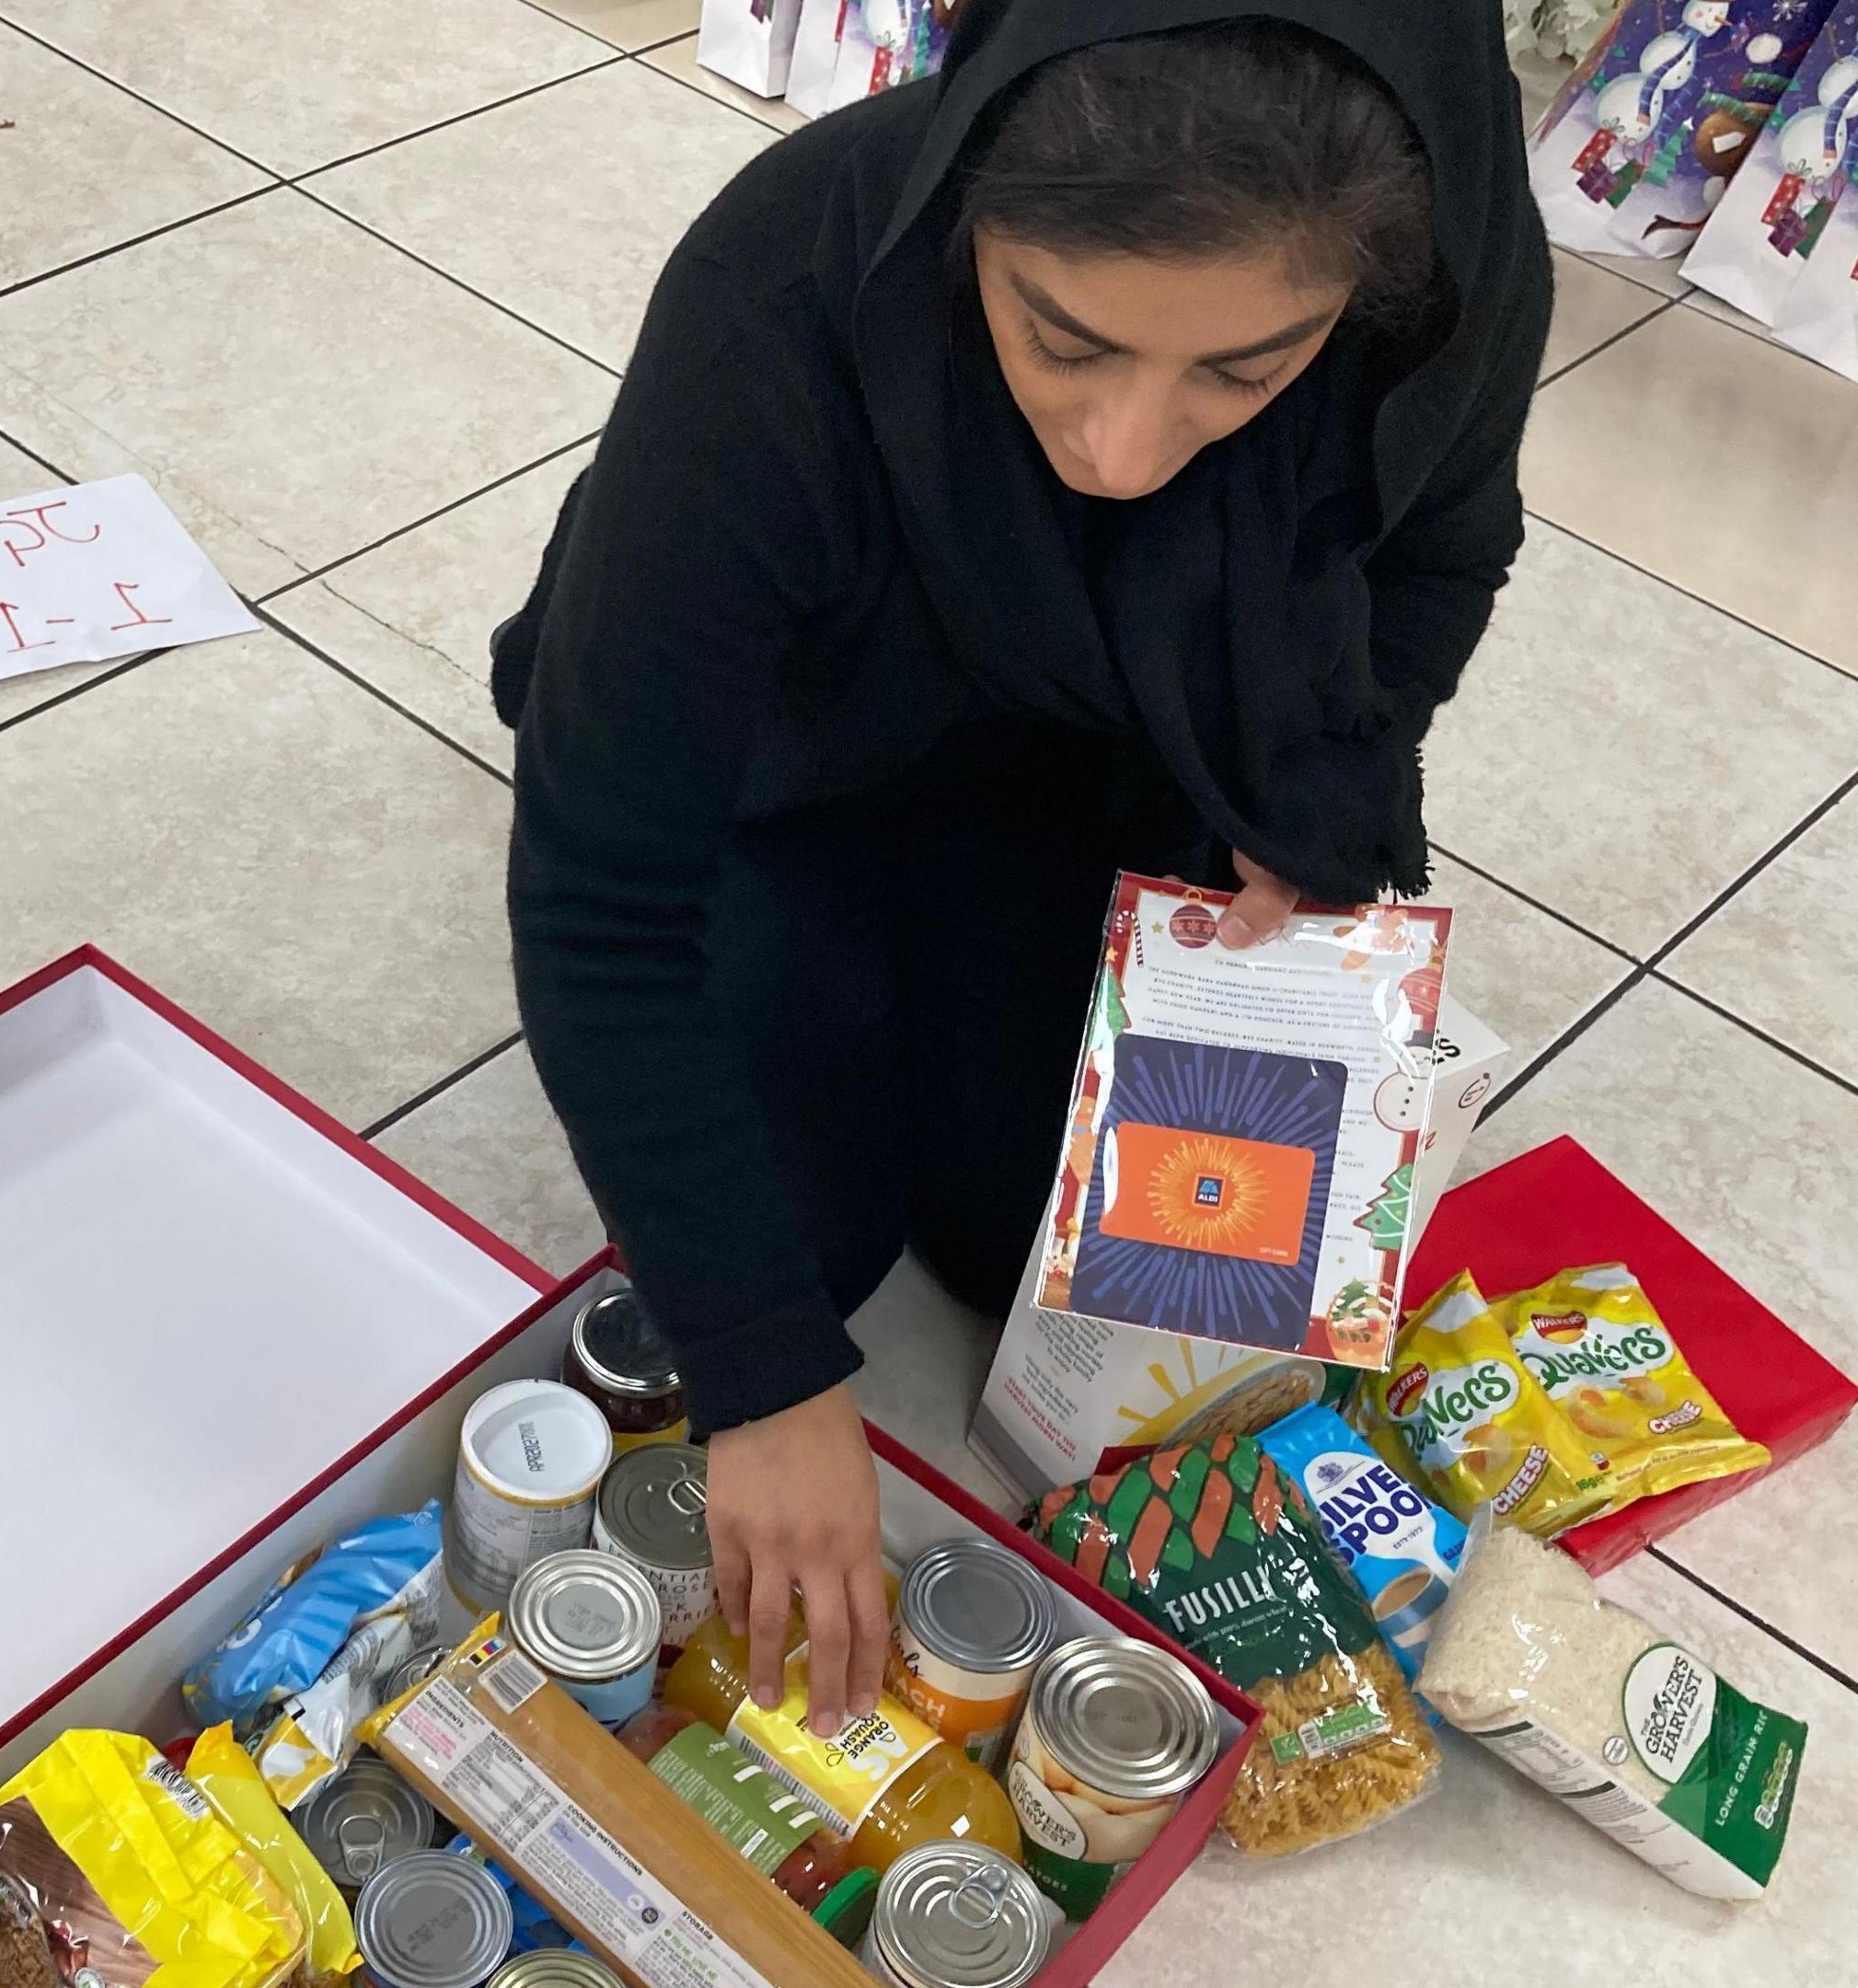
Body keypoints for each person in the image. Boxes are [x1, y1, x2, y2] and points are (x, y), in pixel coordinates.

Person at [489, 0, 1545, 1730]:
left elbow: (1442, 552)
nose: (1123, 452)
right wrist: (767, 1384)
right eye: (1062, 338)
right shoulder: (789, 282)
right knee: (786, 1264)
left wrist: (1320, 780)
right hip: (794, 763)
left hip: (1102, 762)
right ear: (971, 194)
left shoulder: (1445, 278)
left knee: (1039, 1264)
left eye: (1247, 371)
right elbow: (603, 900)